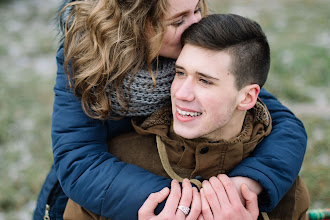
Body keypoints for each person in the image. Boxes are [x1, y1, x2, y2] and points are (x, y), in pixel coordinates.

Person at [33, 0, 308, 219]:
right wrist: (183, 205)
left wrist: (247, 186)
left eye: (197, 8)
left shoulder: (194, 47)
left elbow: (283, 123)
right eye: (179, 20)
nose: (196, 25)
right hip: (104, 195)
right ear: (135, 25)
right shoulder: (87, 59)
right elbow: (80, 163)